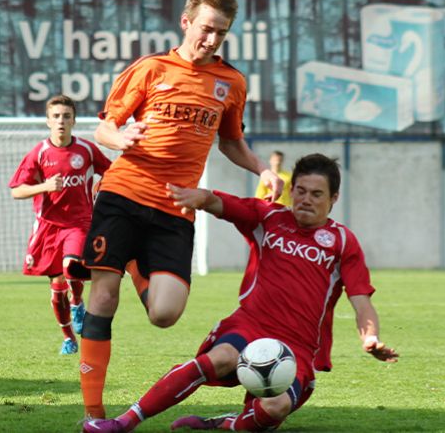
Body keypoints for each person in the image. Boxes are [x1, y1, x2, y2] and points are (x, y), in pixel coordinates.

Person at [78, 0, 283, 420]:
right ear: (186, 22)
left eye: (221, 33)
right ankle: (94, 413)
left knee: (165, 315)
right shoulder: (150, 69)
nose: (211, 40)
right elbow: (105, 129)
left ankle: (132, 262)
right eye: (206, 29)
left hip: (175, 209)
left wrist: (263, 169)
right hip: (124, 193)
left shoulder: (231, 82)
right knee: (104, 298)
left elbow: (231, 142)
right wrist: (122, 136)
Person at [82, 153, 398, 433]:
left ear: (334, 198)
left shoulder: (343, 242)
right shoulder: (270, 217)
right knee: (217, 360)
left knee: (274, 409)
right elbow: (221, 204)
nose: (306, 199)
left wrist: (369, 337)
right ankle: (125, 422)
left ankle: (226, 423)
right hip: (250, 325)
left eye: (317, 194)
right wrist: (195, 196)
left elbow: (362, 302)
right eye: (300, 191)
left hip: (298, 345)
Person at [8, 94, 112, 355]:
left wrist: (103, 187)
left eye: (66, 116)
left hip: (79, 223)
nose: (61, 121)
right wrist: (44, 186)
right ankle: (68, 338)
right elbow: (16, 191)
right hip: (48, 227)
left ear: (74, 120)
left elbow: (111, 171)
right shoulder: (39, 153)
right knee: (56, 289)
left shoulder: (86, 150)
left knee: (71, 266)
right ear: (47, 122)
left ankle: (78, 303)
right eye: (56, 116)